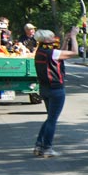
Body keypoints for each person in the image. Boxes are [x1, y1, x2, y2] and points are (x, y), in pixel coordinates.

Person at [33, 27, 80, 157]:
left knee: (50, 118)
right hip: (56, 89)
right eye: (52, 37)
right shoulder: (51, 53)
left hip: (44, 88)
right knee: (52, 120)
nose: (54, 38)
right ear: (46, 39)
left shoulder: (40, 52)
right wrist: (74, 37)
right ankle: (47, 148)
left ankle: (38, 145)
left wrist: (66, 40)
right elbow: (74, 52)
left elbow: (60, 55)